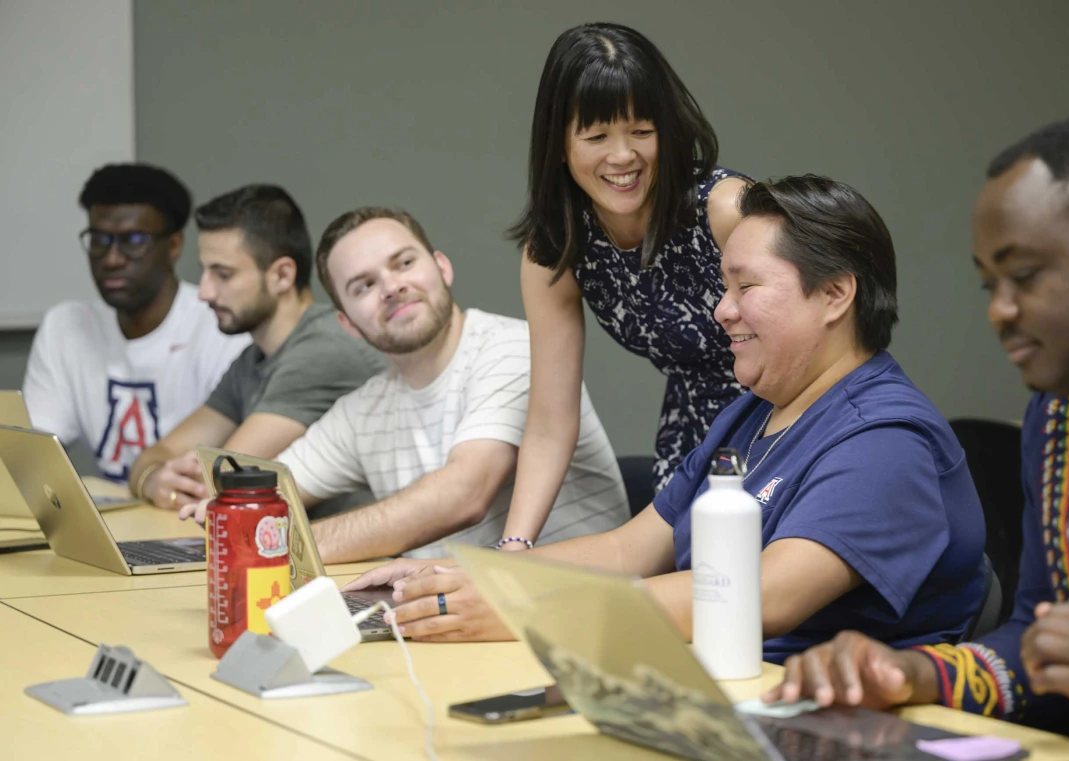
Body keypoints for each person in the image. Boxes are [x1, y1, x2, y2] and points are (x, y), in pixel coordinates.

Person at [342, 176, 987, 662]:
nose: (722, 311)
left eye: (745, 288)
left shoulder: (885, 439)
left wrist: (522, 604)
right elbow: (630, 548)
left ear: (836, 294)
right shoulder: (754, 413)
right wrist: (476, 574)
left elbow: (764, 596)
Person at [767, 116, 1069, 754]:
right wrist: (914, 673)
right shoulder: (1059, 422)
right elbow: (1037, 641)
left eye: (1025, 276)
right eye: (989, 284)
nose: (1000, 309)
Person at [182, 206, 629, 562]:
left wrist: (279, 541)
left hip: (570, 620)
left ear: (442, 268)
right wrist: (222, 509)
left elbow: (463, 494)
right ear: (348, 324)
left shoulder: (514, 349)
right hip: (450, 625)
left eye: (404, 263)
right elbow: (269, 493)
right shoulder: (365, 412)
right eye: (363, 286)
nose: (392, 287)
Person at [500, 22, 753, 550]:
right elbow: (549, 423)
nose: (622, 157)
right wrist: (516, 546)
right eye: (595, 137)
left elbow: (822, 350)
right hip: (693, 434)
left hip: (790, 422)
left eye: (642, 130)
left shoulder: (725, 211)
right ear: (559, 146)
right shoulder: (557, 247)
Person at [128, 185, 385, 510]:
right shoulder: (251, 360)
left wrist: (164, 481)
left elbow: (219, 483)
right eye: (205, 272)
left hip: (367, 556)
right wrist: (152, 479)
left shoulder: (324, 349)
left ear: (281, 275)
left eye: (223, 274)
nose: (204, 292)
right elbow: (157, 456)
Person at [22, 163, 247, 482]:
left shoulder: (220, 326)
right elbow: (32, 456)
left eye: (134, 239)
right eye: (99, 240)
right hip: (114, 523)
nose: (112, 259)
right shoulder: (66, 326)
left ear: (174, 246)